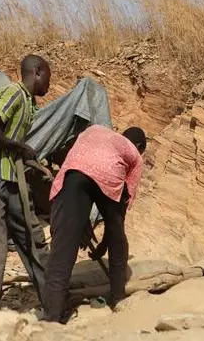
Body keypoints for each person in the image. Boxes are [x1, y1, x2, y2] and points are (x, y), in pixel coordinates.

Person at [0, 54, 51, 307]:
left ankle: (54, 299)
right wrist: (21, 147)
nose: (50, 82)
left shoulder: (28, 102)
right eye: (48, 74)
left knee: (31, 236)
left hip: (12, 177)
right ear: (37, 71)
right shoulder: (14, 93)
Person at [42, 124, 147, 324]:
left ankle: (52, 317)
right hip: (109, 177)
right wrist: (107, 243)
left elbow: (78, 167)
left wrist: (80, 225)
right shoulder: (133, 152)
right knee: (119, 243)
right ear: (139, 145)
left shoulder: (95, 130)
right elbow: (119, 211)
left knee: (62, 253)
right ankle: (118, 300)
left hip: (74, 174)